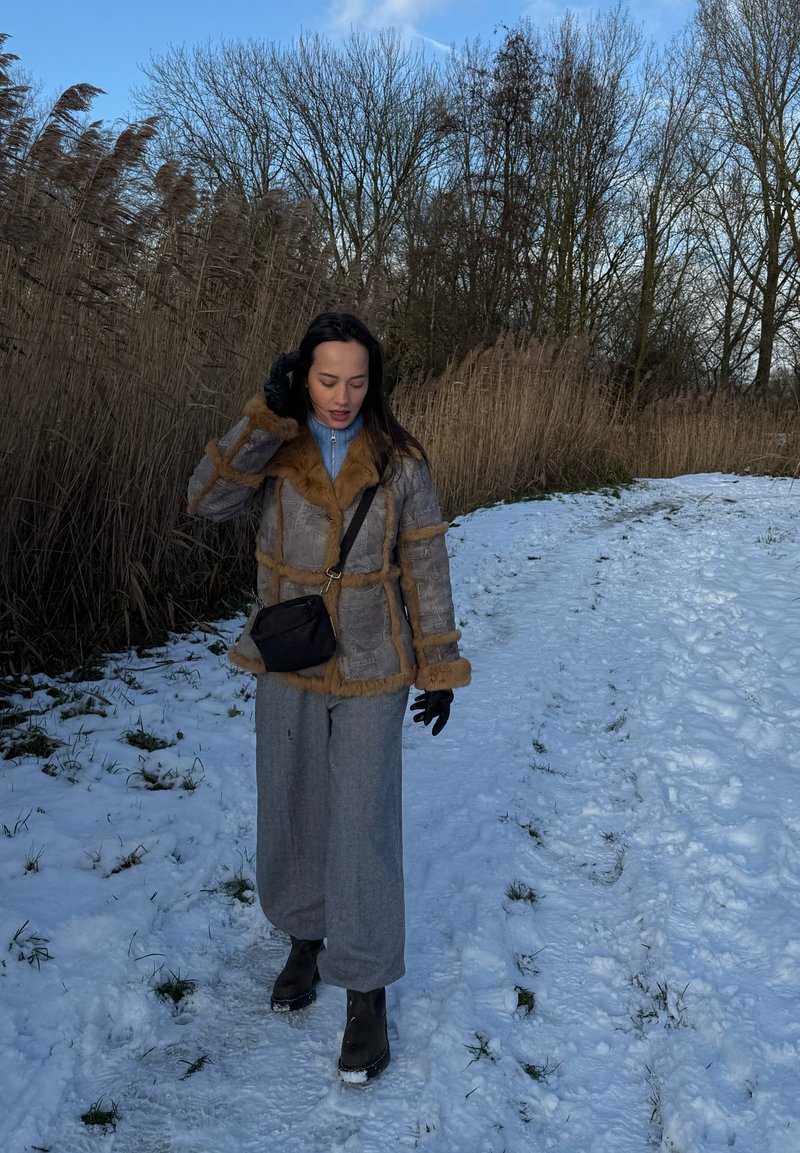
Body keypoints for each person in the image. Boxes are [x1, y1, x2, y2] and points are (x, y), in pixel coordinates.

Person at [187, 312, 470, 1083]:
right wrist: (263, 416)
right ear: (301, 374)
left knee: (362, 823)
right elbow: (204, 499)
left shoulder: (402, 461)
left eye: (356, 380)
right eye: (325, 378)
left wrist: (438, 669)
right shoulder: (277, 445)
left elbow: (429, 568)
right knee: (293, 804)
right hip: (288, 656)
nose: (342, 396)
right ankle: (305, 937)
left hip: (375, 662)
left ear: (373, 380)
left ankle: (367, 990)